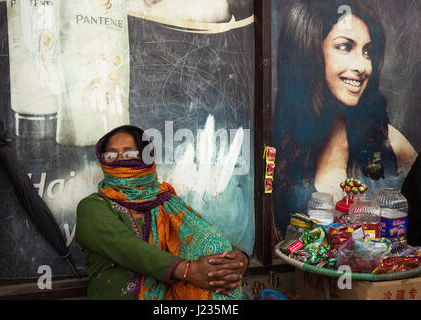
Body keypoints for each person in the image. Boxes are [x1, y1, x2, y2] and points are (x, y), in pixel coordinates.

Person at [272, 0, 418, 233]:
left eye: (367, 51)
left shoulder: (388, 142)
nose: (363, 66)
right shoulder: (275, 151)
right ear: (308, 52)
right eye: (345, 47)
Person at [75, 125, 249, 300]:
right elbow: (127, 248)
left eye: (129, 154)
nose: (120, 159)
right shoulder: (92, 207)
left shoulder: (166, 203)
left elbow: (198, 234)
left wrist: (238, 259)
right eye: (111, 155)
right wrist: (187, 270)